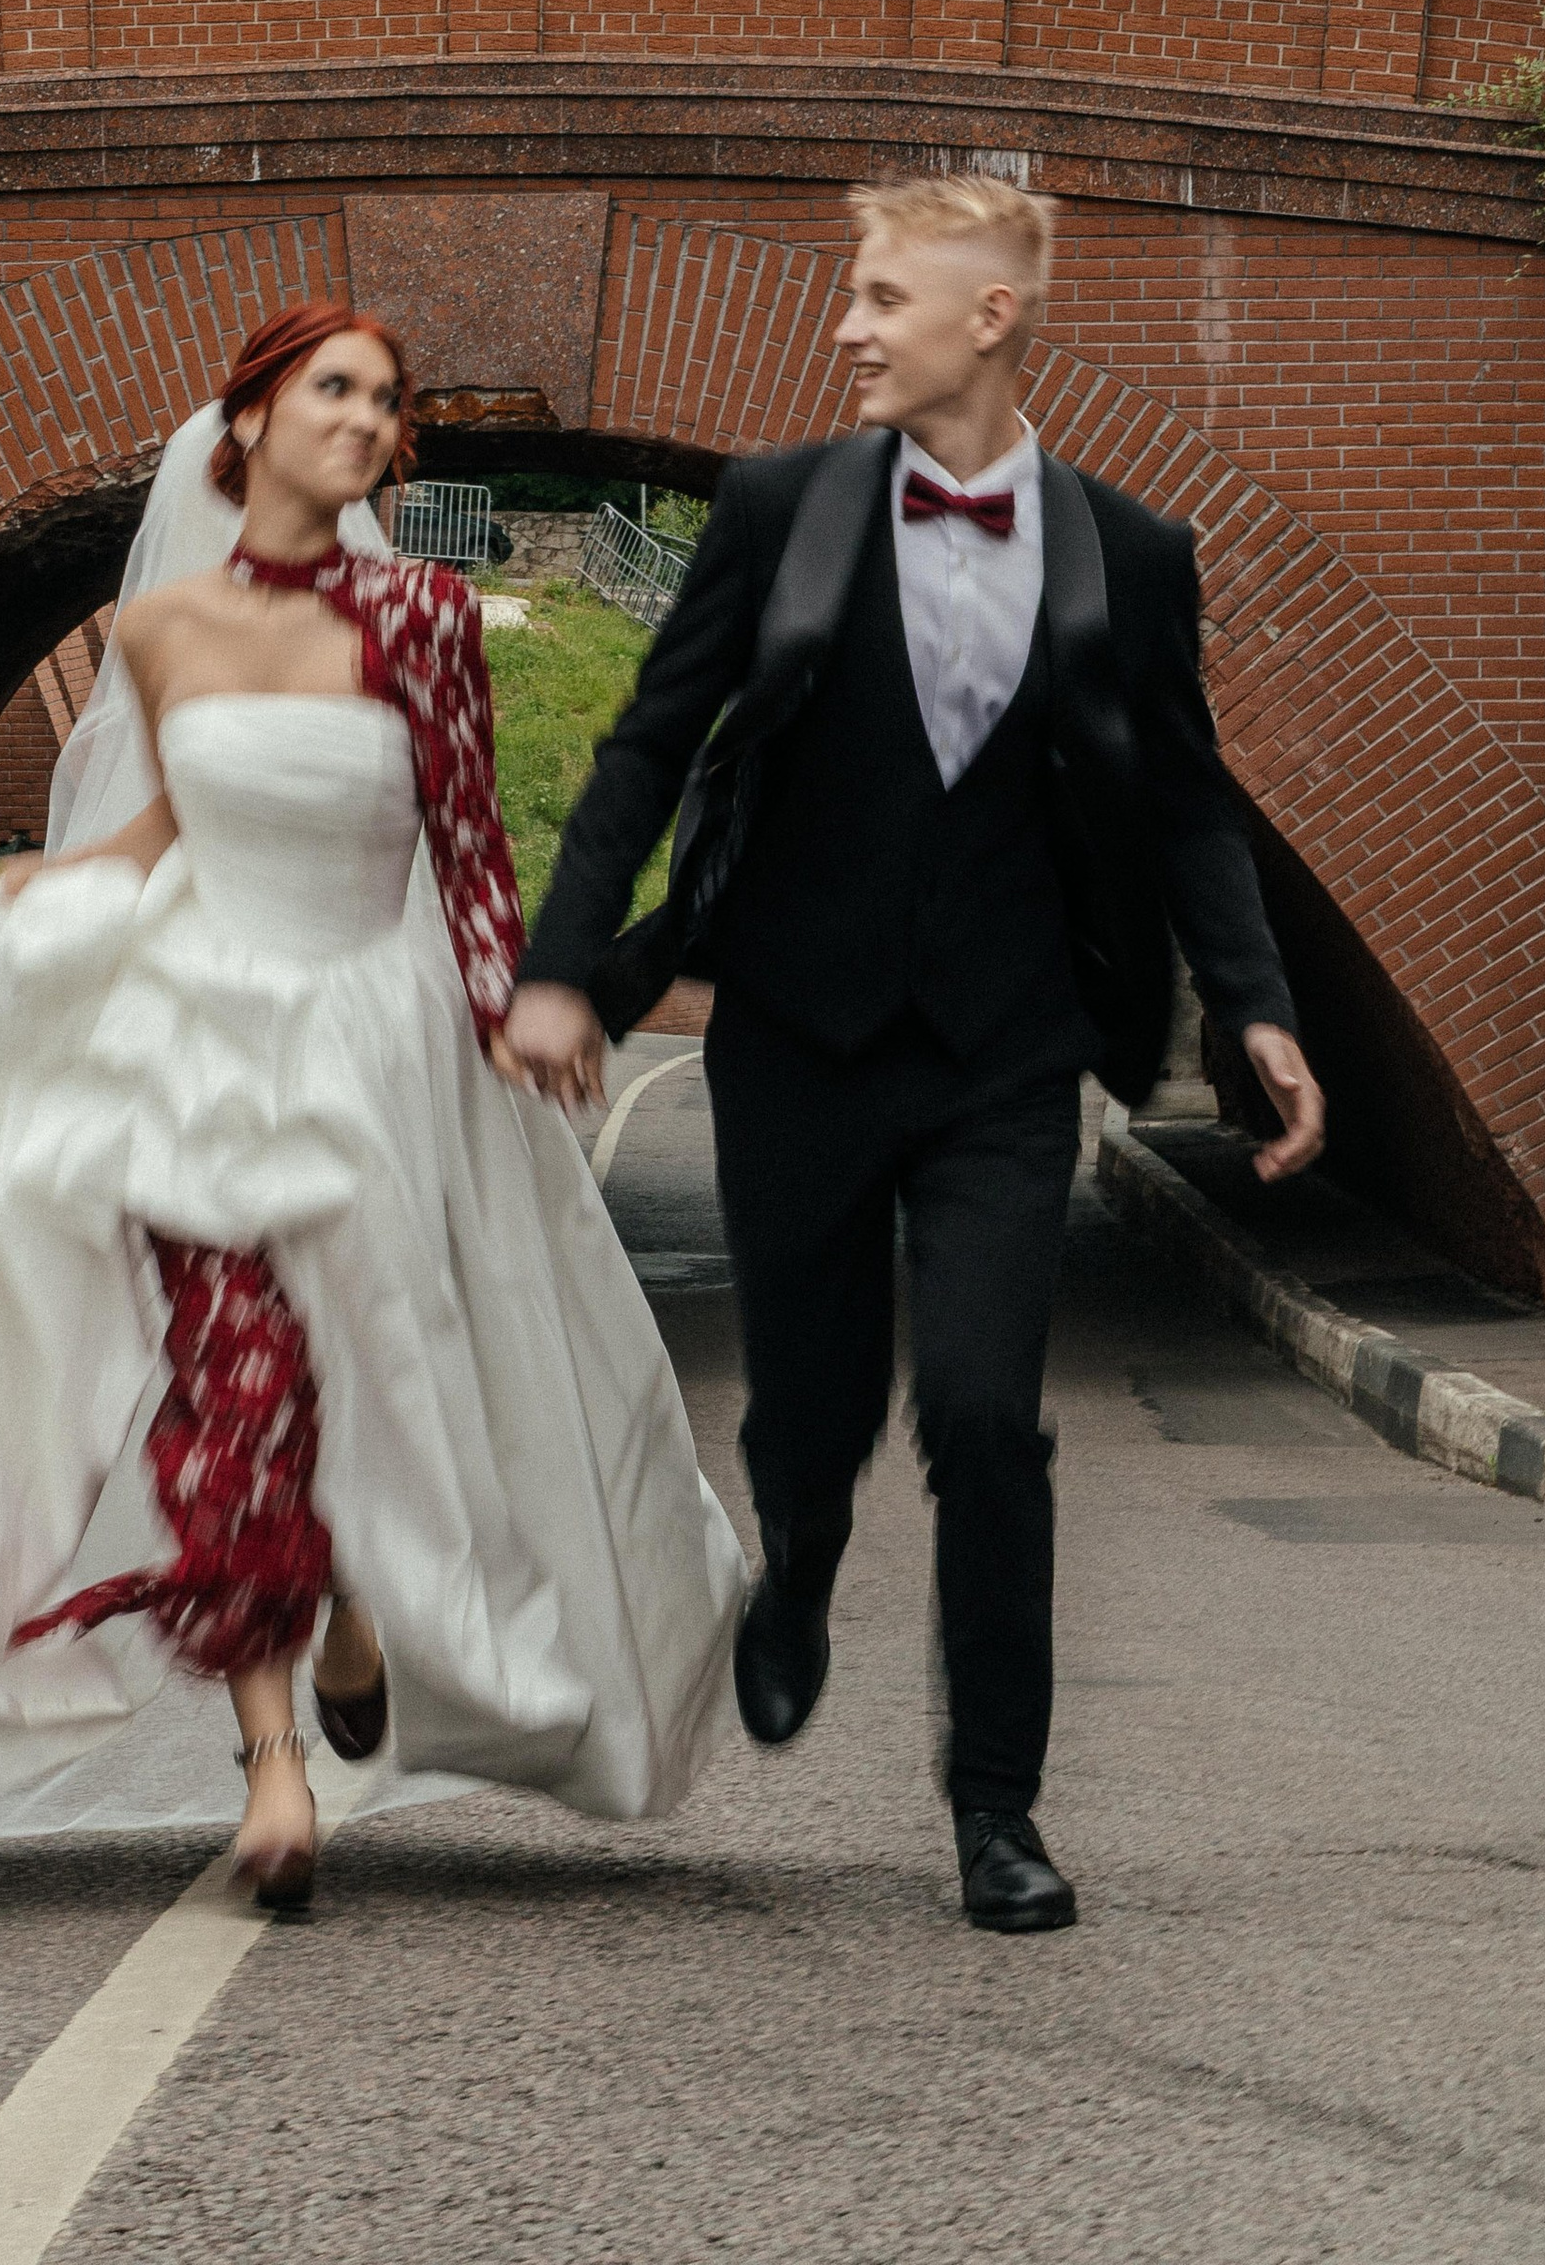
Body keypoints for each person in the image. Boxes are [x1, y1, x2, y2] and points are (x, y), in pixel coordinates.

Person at [0, 301, 742, 1907]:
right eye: (331, 390)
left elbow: (467, 846)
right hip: (197, 1047)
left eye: (384, 403)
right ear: (249, 421)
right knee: (230, 1386)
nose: (363, 420)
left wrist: (517, 1007)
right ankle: (272, 1766)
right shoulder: (155, 633)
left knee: (368, 1383)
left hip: (377, 1049)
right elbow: (142, 848)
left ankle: (350, 1605)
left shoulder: (423, 620)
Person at [512, 175, 1326, 1936]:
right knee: (810, 1417)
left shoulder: (1130, 552)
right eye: (854, 292)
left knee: (982, 1414)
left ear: (990, 317)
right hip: (796, 1043)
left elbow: (1188, 804)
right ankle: (797, 1562)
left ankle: (998, 1810)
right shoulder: (779, 512)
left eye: (884, 296)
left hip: (1004, 1060)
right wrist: (566, 972)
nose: (849, 324)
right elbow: (650, 747)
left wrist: (1257, 1002)